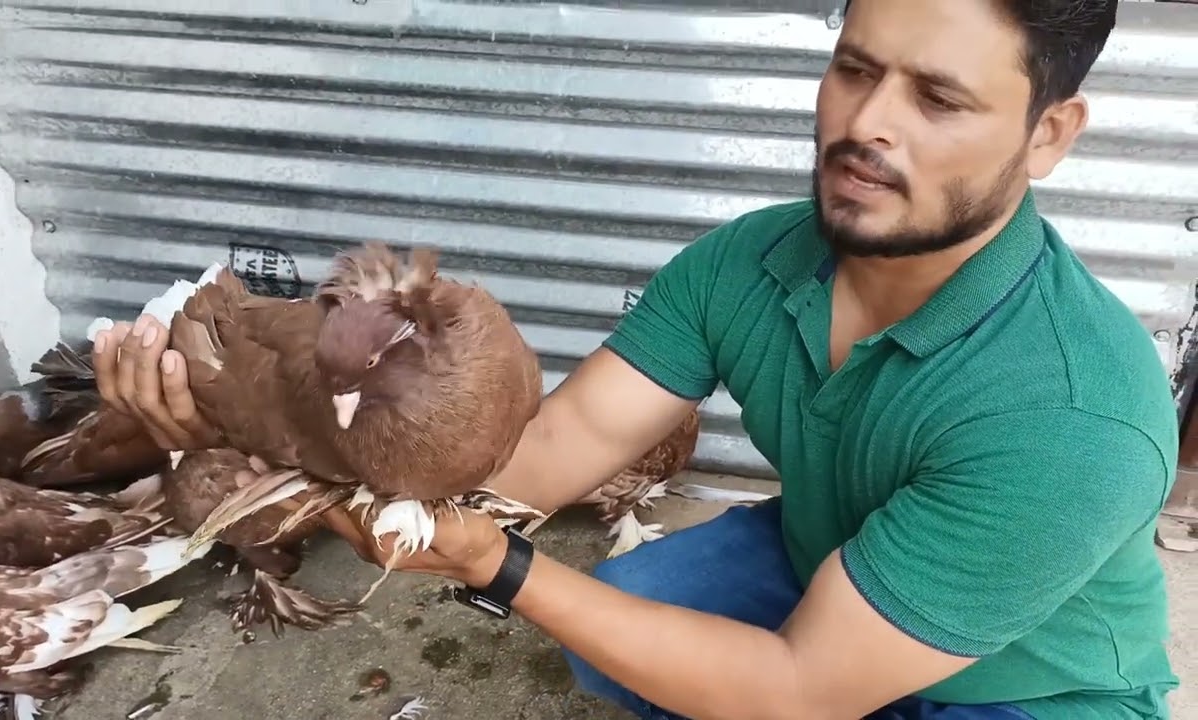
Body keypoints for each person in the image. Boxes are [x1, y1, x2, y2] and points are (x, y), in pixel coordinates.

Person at [91, 0, 1180, 717]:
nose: (864, 125)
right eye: (853, 71)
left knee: (708, 661)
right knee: (617, 623)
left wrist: (498, 568)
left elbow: (797, 686)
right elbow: (538, 458)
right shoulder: (745, 261)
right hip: (831, 562)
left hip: (1031, 689)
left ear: (1047, 134)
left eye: (936, 98)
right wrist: (239, 429)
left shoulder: (1074, 415)